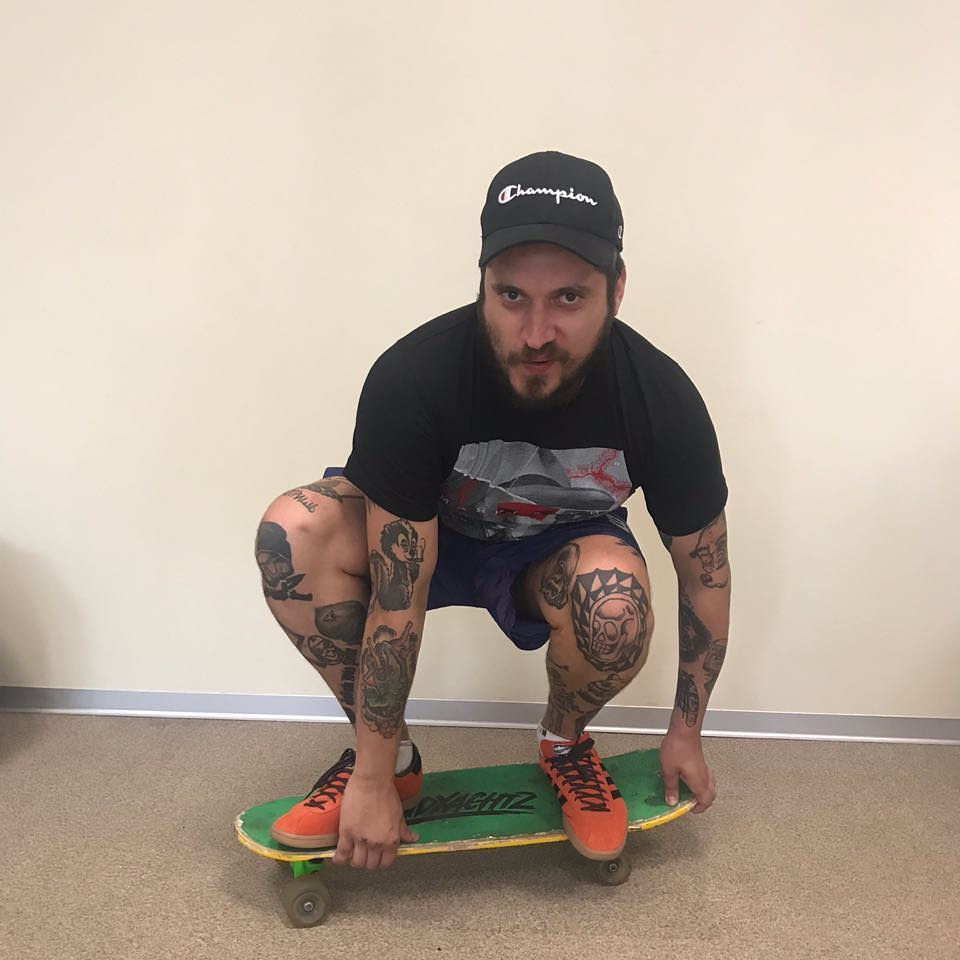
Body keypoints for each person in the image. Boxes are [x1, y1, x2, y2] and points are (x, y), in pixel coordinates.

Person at [255, 150, 731, 871]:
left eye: (568, 298)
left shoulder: (660, 400)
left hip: (553, 553)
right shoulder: (414, 379)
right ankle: (391, 758)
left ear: (616, 289)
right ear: (481, 284)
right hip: (429, 534)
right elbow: (398, 595)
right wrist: (376, 777)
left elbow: (706, 577)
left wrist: (686, 733)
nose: (536, 333)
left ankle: (564, 745)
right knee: (293, 531)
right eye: (511, 296)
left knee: (618, 604)